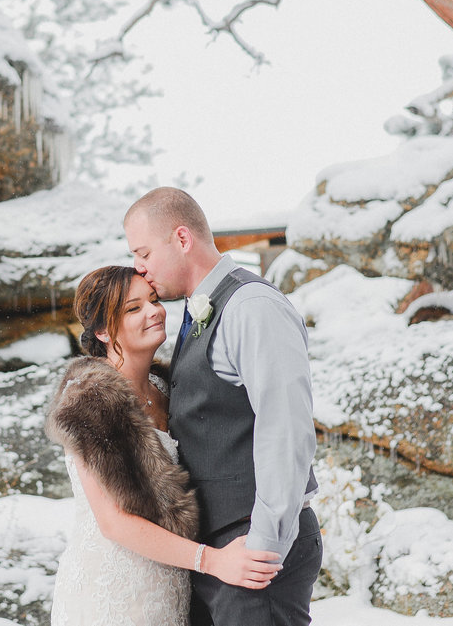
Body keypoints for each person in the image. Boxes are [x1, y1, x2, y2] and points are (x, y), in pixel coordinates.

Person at [123, 187, 322, 626]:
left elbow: (285, 429)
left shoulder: (252, 307)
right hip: (219, 553)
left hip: (252, 550)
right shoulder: (200, 312)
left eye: (143, 252)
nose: (139, 267)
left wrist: (263, 545)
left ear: (180, 238)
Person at [46, 265, 281, 626]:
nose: (154, 311)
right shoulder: (89, 400)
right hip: (111, 591)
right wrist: (213, 561)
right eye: (133, 308)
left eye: (153, 300)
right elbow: (114, 522)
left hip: (170, 585)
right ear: (103, 331)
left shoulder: (167, 388)